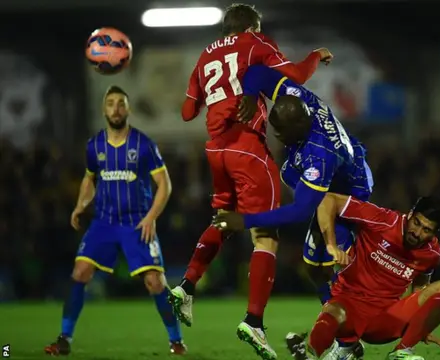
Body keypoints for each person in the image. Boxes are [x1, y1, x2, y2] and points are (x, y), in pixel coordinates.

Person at [168, 3, 332, 359]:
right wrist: (316, 55)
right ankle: (254, 321)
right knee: (265, 236)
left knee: (224, 219)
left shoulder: (203, 56)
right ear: (252, 26)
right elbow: (297, 76)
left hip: (215, 150)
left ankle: (186, 285)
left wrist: (217, 98)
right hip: (248, 148)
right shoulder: (256, 43)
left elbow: (186, 112)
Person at [214, 64, 374, 359]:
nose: (276, 135)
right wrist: (250, 96)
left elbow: (301, 211)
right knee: (313, 266)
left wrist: (244, 220)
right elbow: (257, 73)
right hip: (333, 177)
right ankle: (342, 331)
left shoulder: (319, 156)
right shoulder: (300, 99)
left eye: (280, 132)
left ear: (297, 129)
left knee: (338, 268)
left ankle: (348, 344)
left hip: (348, 196)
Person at [44, 86, 185, 355]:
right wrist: (80, 205)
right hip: (104, 222)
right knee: (80, 273)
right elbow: (89, 178)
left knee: (155, 282)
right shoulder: (94, 145)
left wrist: (151, 217)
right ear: (103, 110)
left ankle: (175, 341)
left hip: (136, 222)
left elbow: (164, 184)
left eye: (121, 103)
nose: (116, 109)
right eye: (111, 104)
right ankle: (64, 338)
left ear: (128, 109)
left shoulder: (144, 144)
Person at [284, 193, 440, 360]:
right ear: (410, 214)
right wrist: (331, 245)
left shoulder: (432, 254)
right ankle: (310, 355)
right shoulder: (384, 220)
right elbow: (328, 200)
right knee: (334, 312)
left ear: (435, 233)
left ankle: (401, 352)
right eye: (416, 223)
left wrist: (420, 326)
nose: (417, 233)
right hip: (349, 305)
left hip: (385, 320)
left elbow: (420, 288)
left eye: (426, 230)